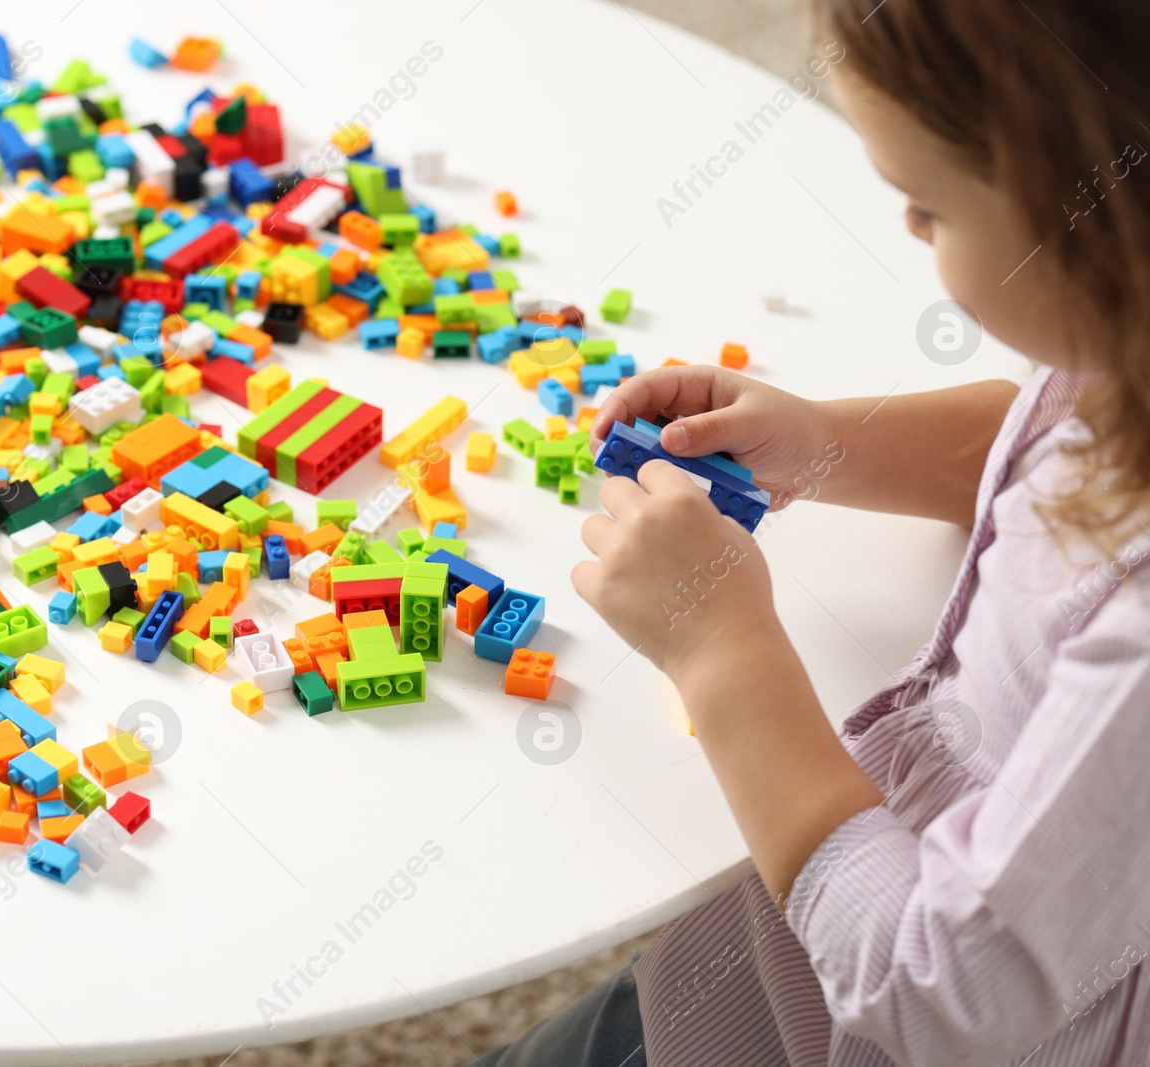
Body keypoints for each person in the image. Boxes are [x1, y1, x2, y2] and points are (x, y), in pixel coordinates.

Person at [482, 0, 1150, 1063]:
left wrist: (720, 646)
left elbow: (943, 991)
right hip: (781, 943)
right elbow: (1051, 437)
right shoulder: (1127, 342)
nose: (908, 231)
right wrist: (824, 440)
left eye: (925, 209)